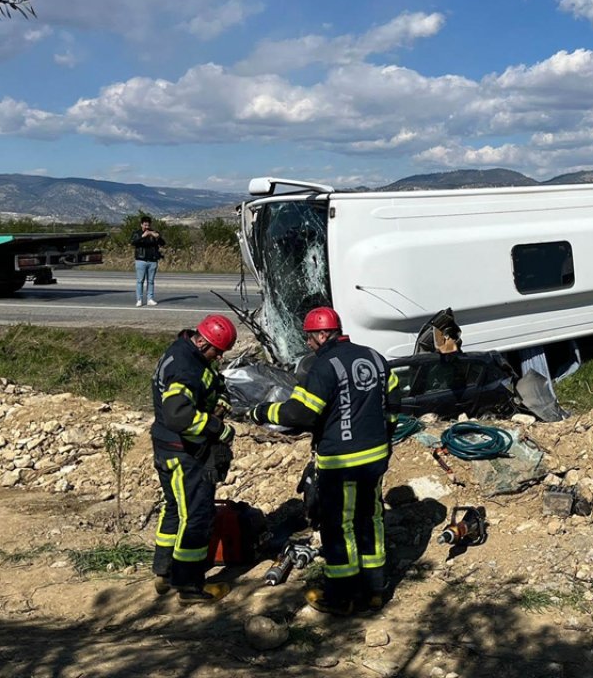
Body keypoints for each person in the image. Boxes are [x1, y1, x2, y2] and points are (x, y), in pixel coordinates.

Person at [248, 307, 396, 615]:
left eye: (310, 338)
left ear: (321, 334)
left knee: (339, 525)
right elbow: (391, 401)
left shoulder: (324, 365)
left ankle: (341, 596)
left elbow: (301, 413)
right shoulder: (374, 357)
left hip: (341, 461)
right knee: (371, 519)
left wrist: (261, 412)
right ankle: (374, 590)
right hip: (376, 456)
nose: (309, 344)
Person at [150, 314, 238, 603]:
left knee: (174, 508)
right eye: (217, 351)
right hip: (184, 451)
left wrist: (219, 400)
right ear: (203, 343)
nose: (219, 357)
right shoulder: (187, 369)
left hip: (165, 447)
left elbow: (209, 383)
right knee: (196, 516)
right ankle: (189, 587)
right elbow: (178, 414)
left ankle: (163, 572)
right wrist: (217, 428)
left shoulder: (181, 350)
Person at [132, 216, 166, 307]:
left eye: (148, 225)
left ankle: (150, 299)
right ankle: (139, 299)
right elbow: (133, 242)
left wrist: (158, 237)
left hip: (152, 260)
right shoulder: (137, 233)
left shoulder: (154, 233)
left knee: (151, 281)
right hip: (141, 260)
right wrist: (142, 236)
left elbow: (163, 243)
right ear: (141, 224)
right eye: (145, 225)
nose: (147, 227)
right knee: (140, 280)